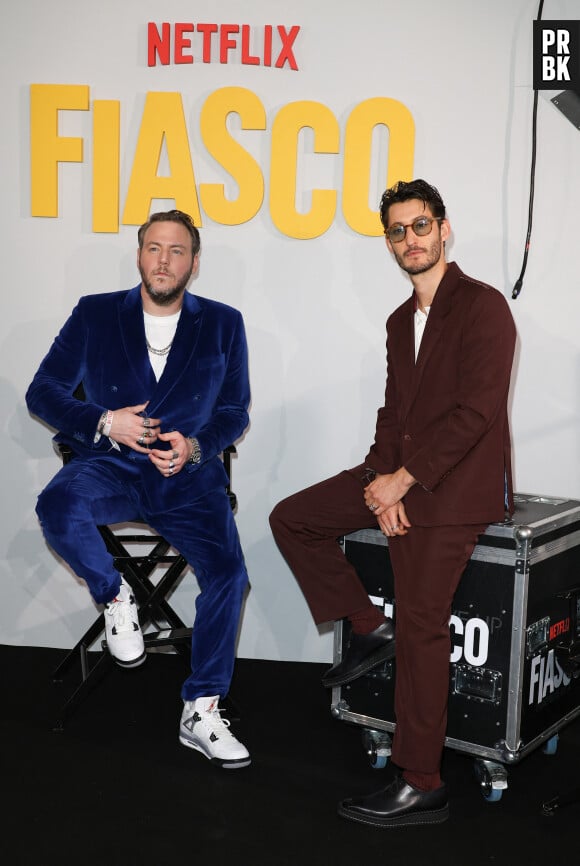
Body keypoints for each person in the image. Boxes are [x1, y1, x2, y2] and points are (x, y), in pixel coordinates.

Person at [270, 179, 516, 826]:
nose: (411, 239)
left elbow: (475, 414)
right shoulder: (397, 319)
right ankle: (363, 625)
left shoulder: (484, 307)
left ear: (444, 228)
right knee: (292, 518)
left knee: (423, 628)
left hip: (456, 492)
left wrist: (401, 481)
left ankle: (422, 781)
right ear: (389, 242)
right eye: (398, 231)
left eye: (421, 225)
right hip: (400, 475)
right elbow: (393, 413)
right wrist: (379, 482)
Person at [26, 209, 252, 770]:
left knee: (229, 575)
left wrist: (196, 446)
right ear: (138, 255)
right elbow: (43, 393)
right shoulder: (96, 313)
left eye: (177, 251)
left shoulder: (224, 323)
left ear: (194, 263)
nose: (164, 260)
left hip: (188, 480)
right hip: (113, 466)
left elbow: (233, 411)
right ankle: (114, 596)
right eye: (154, 248)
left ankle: (201, 707)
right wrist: (105, 421)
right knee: (56, 503)